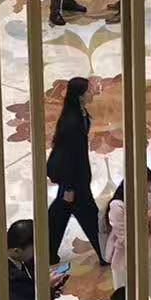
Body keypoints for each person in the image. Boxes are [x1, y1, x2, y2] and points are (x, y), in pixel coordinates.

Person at [47, 75, 103, 261]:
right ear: (79, 95)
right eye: (88, 91)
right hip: (74, 178)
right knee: (90, 216)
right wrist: (69, 186)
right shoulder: (72, 122)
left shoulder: (79, 112)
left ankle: (47, 252)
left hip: (76, 176)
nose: (91, 93)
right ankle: (104, 253)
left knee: (59, 213)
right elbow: (70, 156)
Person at [104, 169, 151, 295]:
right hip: (127, 260)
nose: (148, 192)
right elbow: (126, 240)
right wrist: (145, 219)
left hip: (150, 251)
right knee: (128, 299)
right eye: (145, 189)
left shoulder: (147, 192)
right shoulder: (117, 206)